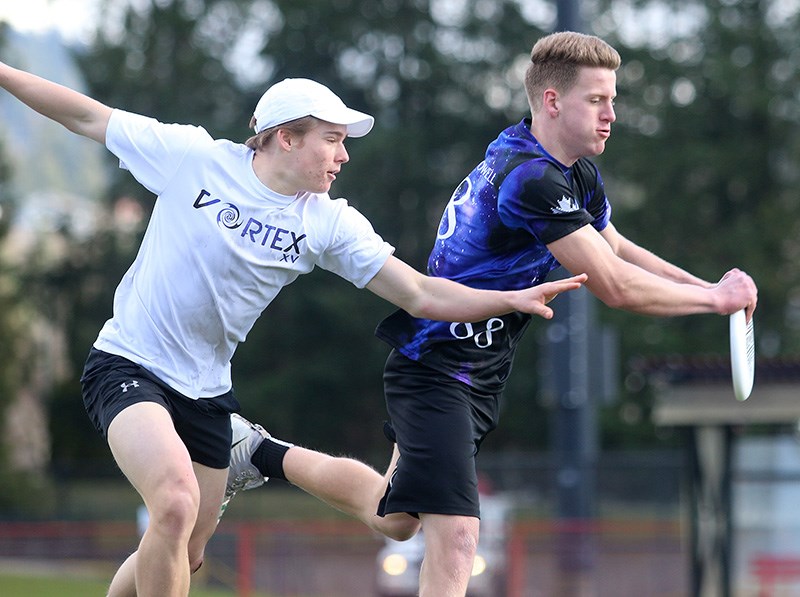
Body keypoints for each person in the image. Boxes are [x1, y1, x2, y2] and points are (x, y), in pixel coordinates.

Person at [0, 58, 588, 596]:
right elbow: (84, 114)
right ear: (286, 137)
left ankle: (246, 455)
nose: (344, 155)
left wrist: (507, 297)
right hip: (127, 365)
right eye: (332, 140)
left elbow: (419, 292)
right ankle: (244, 458)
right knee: (174, 507)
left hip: (205, 394)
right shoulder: (193, 158)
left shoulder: (327, 222)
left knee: (188, 547)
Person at [224, 31, 758, 597]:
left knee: (395, 518)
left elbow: (615, 245)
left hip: (480, 374)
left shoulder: (570, 170)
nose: (611, 115)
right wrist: (714, 301)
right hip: (435, 368)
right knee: (457, 536)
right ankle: (256, 452)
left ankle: (258, 453)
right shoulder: (530, 179)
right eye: (597, 101)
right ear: (552, 102)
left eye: (613, 100)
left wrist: (710, 284)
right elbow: (616, 286)